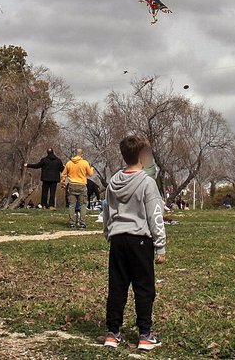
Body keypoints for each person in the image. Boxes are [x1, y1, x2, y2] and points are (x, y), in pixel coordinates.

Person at [102, 135, 166, 351]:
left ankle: (112, 333)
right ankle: (145, 335)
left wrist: (108, 233)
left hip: (118, 240)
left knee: (117, 286)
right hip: (140, 240)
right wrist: (161, 245)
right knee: (144, 288)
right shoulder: (147, 183)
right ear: (141, 156)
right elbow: (155, 215)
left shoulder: (113, 181)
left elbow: (107, 210)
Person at [62, 148, 95, 229]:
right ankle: (82, 223)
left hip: (72, 185)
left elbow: (63, 174)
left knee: (72, 205)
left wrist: (62, 182)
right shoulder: (85, 163)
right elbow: (90, 174)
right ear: (82, 155)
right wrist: (92, 169)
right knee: (83, 205)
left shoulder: (69, 163)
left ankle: (72, 223)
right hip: (82, 185)